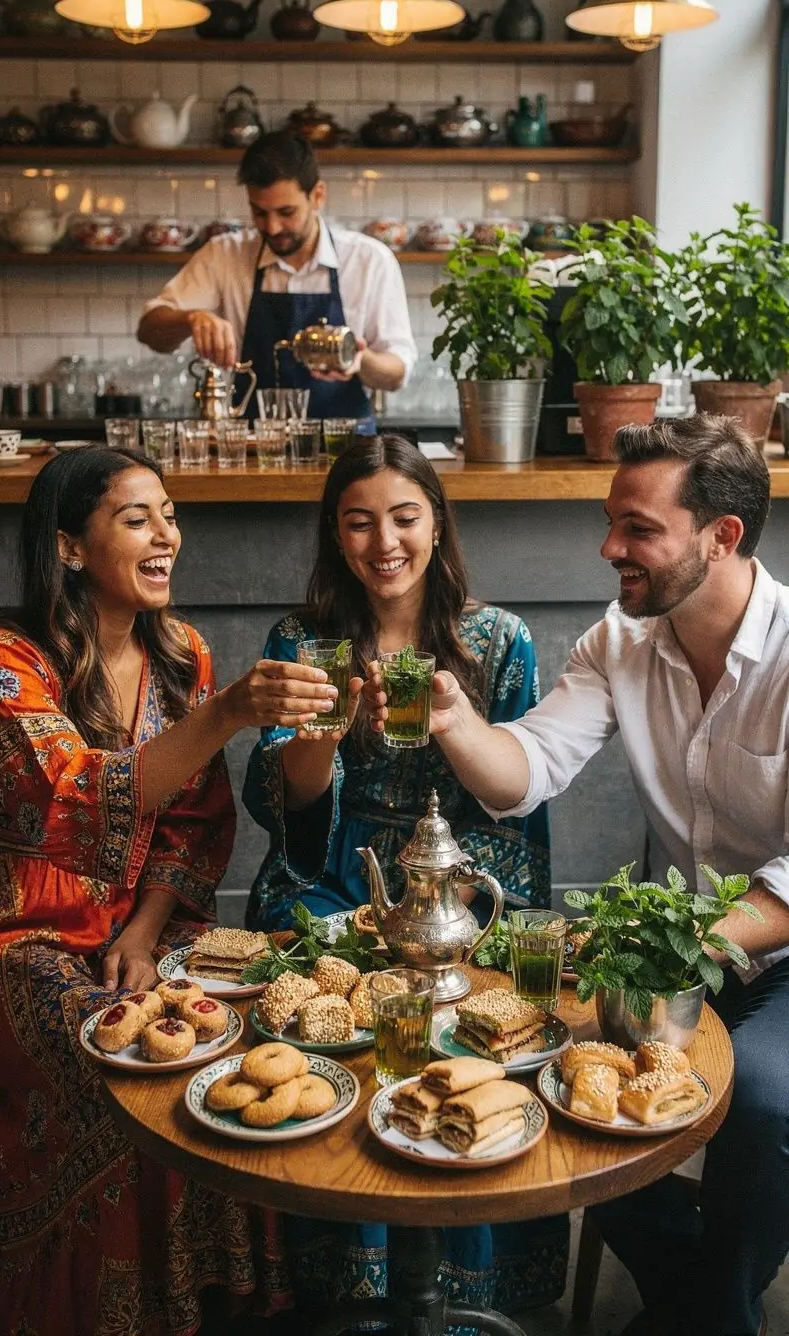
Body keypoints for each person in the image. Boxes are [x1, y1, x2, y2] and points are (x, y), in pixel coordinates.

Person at [365, 413, 788, 1336]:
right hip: (677, 951)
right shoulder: (619, 641)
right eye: (610, 522)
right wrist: (453, 719)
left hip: (768, 948)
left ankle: (707, 1314)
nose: (609, 549)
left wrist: (671, 951)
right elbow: (524, 775)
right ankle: (704, 1312)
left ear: (722, 536)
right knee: (544, 1070)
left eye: (639, 529)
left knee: (761, 1102)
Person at [0, 444, 340, 1336]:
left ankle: (214, 1303)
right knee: (119, 1059)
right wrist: (227, 714)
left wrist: (143, 933)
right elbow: (71, 798)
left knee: (238, 1029)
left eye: (170, 516)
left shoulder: (181, 655)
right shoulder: (1, 660)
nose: (166, 535)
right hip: (15, 933)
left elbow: (196, 824)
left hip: (145, 924)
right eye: (136, 519)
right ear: (69, 547)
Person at [244, 435, 566, 1325]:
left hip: (457, 883)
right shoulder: (301, 641)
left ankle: (463, 1290)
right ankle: (346, 1280)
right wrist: (323, 730)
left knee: (465, 1012)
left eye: (404, 517)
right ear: (334, 534)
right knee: (326, 998)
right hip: (334, 873)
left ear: (437, 523)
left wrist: (441, 915)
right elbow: (287, 812)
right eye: (358, 522)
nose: (383, 543)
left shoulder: (498, 640)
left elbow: (512, 810)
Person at [137, 131, 417, 423]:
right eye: (259, 213)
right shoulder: (224, 254)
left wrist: (361, 361)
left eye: (286, 212)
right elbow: (149, 331)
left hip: (345, 445)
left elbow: (397, 371)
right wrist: (190, 318)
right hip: (251, 444)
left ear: (317, 196)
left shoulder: (369, 260)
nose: (272, 227)